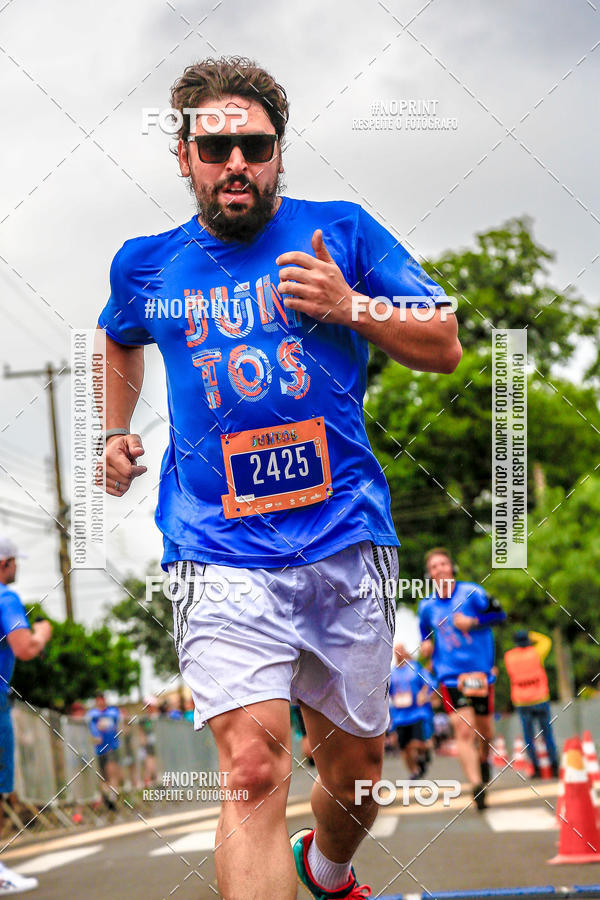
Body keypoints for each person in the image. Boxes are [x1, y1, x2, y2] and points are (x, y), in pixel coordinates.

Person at [96, 56, 461, 899]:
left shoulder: (342, 232)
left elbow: (443, 339)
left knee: (357, 775)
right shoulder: (146, 265)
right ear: (183, 157)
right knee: (253, 769)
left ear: (278, 154)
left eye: (255, 147)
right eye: (215, 148)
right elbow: (117, 334)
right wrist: (114, 430)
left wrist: (349, 306)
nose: (237, 165)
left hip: (343, 538)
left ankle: (327, 870)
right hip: (214, 545)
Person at [418, 547, 505, 810]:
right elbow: (425, 632)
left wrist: (473, 621)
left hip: (479, 672)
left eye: (443, 564)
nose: (439, 569)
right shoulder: (427, 606)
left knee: (485, 732)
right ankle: (476, 786)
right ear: (429, 575)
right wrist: (426, 644)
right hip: (450, 675)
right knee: (464, 729)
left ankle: (483, 760)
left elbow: (500, 615)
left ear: (452, 568)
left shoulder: (473, 592)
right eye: (434, 567)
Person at [0, 536, 52, 894]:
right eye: (15, 561)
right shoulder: (5, 597)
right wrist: (42, 633)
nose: (17, 567)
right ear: (5, 563)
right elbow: (24, 647)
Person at [504, 629, 559, 778]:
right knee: (547, 735)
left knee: (529, 737)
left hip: (522, 702)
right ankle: (554, 767)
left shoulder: (510, 656)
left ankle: (536, 769)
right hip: (540, 699)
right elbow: (546, 641)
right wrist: (532, 635)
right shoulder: (536, 653)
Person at [388, 644, 436, 779]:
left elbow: (430, 682)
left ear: (405, 652)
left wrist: (424, 693)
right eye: (396, 651)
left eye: (401, 650)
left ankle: (425, 754)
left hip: (417, 714)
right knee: (404, 748)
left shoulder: (415, 668)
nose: (399, 653)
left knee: (416, 743)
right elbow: (385, 692)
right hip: (400, 717)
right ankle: (414, 772)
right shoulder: (392, 673)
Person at [87, 693, 122, 808]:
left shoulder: (113, 712)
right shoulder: (92, 715)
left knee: (112, 771)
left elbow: (120, 725)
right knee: (103, 776)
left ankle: (112, 796)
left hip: (111, 747)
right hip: (98, 750)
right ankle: (107, 796)